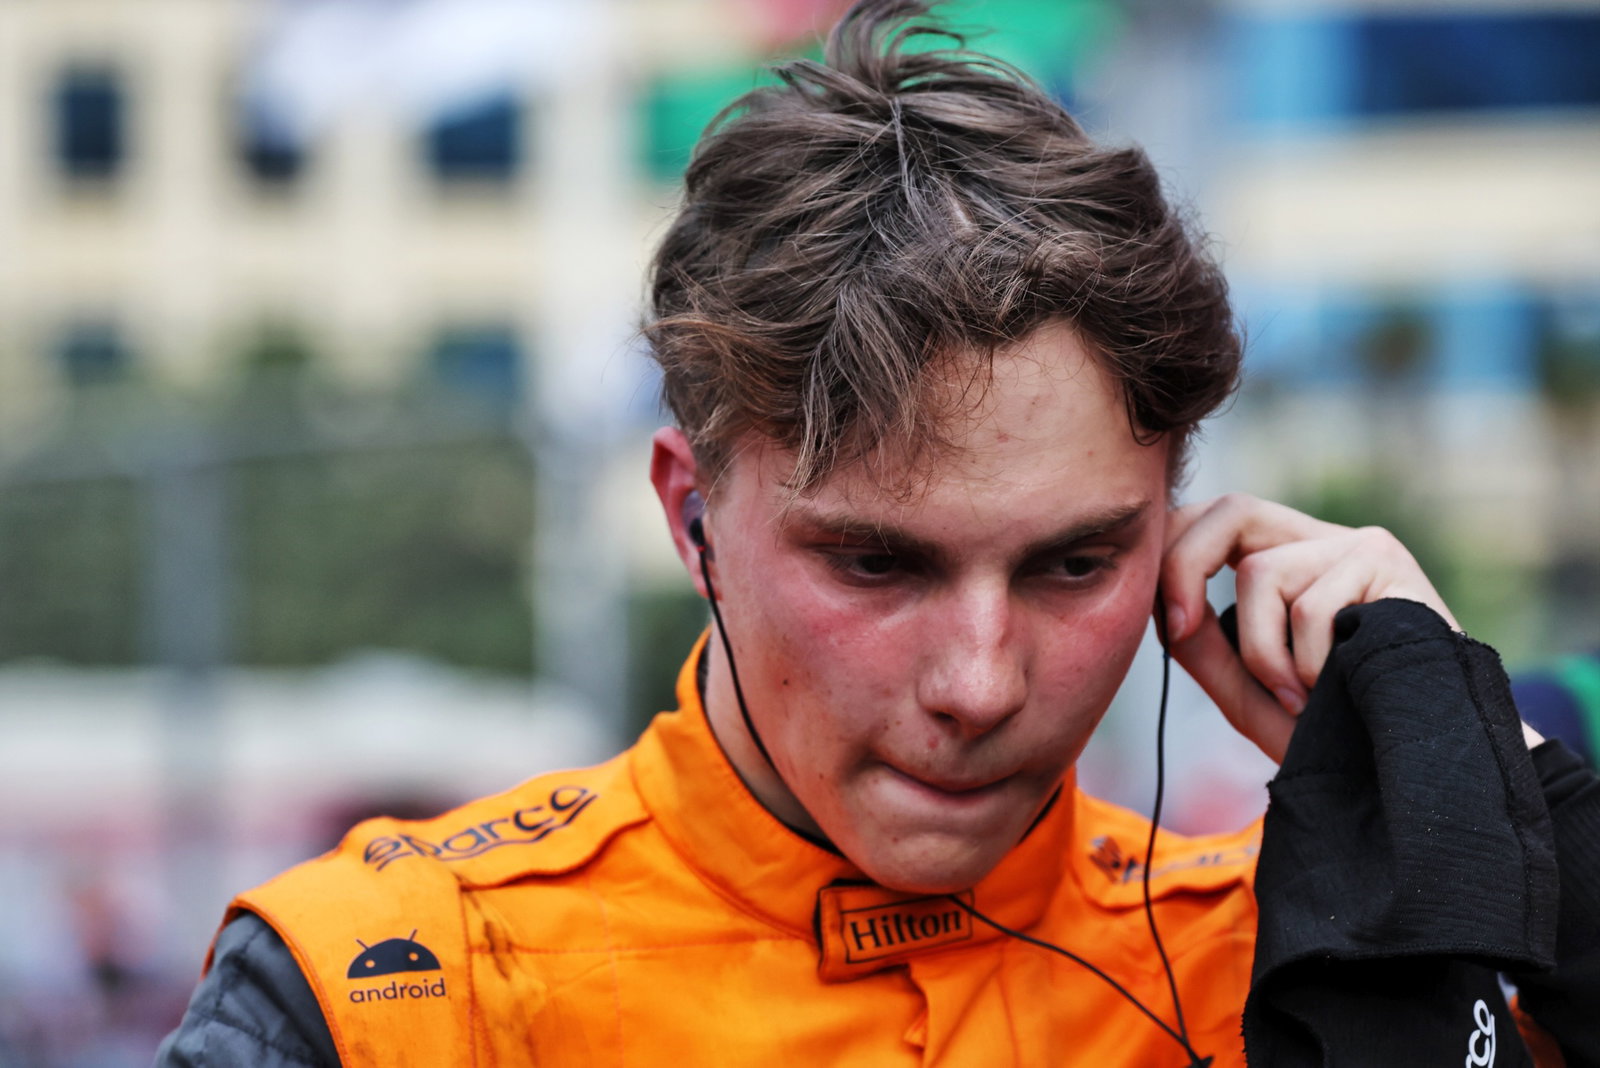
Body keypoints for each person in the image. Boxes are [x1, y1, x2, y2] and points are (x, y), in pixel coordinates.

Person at [156, 2, 1600, 1064]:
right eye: (877, 562)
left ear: (1179, 533)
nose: (978, 681)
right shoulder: (392, 987)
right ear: (690, 517)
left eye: (1073, 562)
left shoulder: (1306, 960)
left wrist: (1493, 774)